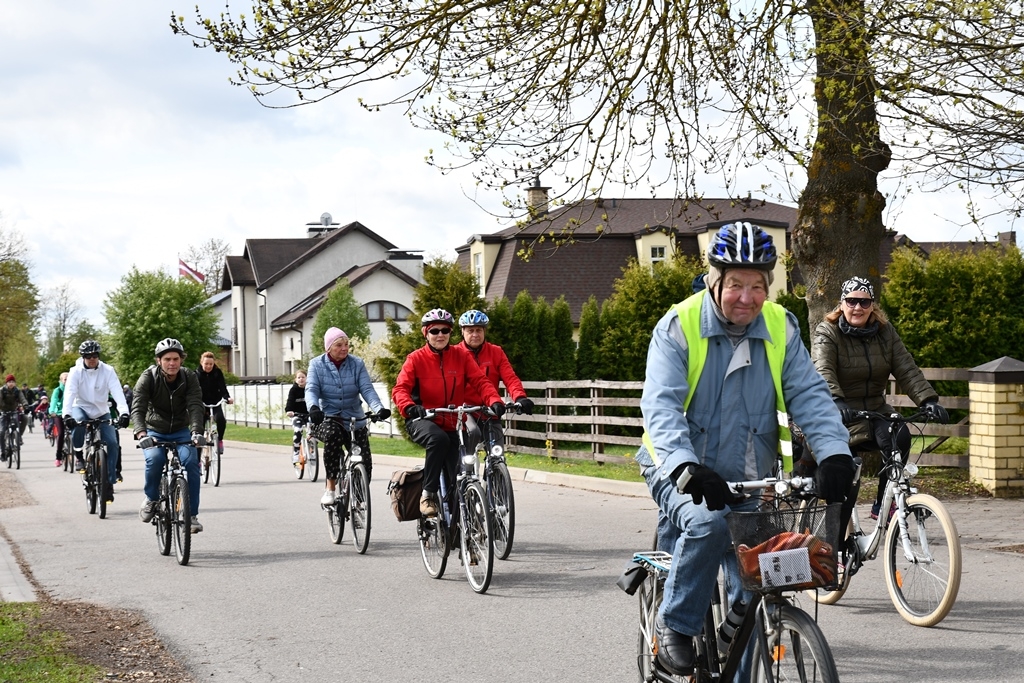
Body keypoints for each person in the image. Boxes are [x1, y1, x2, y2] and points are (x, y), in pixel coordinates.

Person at [635, 222, 855, 677]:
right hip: (677, 466)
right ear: (715, 280)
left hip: (748, 473)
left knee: (757, 579)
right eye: (736, 284)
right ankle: (675, 623)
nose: (747, 297)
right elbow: (661, 407)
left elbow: (810, 395)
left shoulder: (780, 325)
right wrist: (684, 467)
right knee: (708, 523)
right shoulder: (678, 326)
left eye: (758, 285)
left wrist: (835, 453)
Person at [811, 276, 949, 519]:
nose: (858, 308)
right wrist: (836, 400)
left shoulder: (885, 333)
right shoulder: (828, 331)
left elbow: (906, 368)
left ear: (872, 305)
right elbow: (823, 369)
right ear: (842, 303)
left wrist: (928, 401)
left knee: (900, 435)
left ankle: (884, 503)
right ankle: (838, 543)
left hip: (875, 410)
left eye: (864, 303)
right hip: (841, 413)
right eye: (852, 301)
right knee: (847, 474)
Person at [391, 309, 505, 518]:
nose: (440, 334)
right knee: (438, 439)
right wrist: (409, 407)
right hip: (422, 419)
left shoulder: (460, 356)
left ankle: (462, 532)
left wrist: (495, 401)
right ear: (426, 333)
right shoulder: (415, 359)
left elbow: (481, 382)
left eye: (445, 330)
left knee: (456, 480)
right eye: (434, 330)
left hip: (453, 421)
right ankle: (427, 494)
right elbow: (400, 390)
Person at [306, 328, 390, 504]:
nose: (344, 348)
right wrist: (313, 408)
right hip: (328, 417)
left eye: (346, 344)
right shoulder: (316, 364)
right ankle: (330, 488)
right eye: (339, 345)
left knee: (365, 462)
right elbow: (311, 389)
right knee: (333, 436)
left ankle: (359, 503)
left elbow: (367, 389)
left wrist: (379, 408)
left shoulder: (356, 363)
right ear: (329, 347)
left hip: (354, 418)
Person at [133, 338, 206, 533]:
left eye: (176, 359)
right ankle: (151, 498)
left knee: (191, 463)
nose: (172, 363)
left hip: (181, 430)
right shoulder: (148, 377)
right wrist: (141, 433)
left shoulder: (189, 377)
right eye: (167, 359)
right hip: (154, 430)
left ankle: (191, 515)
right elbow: (138, 407)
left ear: (181, 360)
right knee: (155, 459)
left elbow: (196, 405)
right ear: (159, 360)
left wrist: (197, 431)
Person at [455, 309, 534, 451]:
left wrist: (520, 397)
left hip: (491, 408)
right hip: (465, 410)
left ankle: (496, 471)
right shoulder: (455, 354)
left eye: (479, 330)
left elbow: (510, 378)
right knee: (469, 442)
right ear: (462, 331)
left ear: (484, 331)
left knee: (497, 452)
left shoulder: (496, 352)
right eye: (470, 330)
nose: (475, 334)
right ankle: (464, 470)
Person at [62, 341, 130, 502]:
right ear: (83, 357)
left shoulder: (108, 371)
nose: (92, 359)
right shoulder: (75, 372)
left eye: (95, 355)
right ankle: (79, 455)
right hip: (81, 407)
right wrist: (66, 415)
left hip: (101, 411)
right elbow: (70, 393)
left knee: (112, 442)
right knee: (78, 422)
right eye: (88, 356)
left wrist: (124, 413)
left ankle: (110, 481)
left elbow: (118, 392)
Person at [196, 352, 233, 454]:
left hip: (215, 403)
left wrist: (227, 398)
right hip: (201, 404)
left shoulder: (217, 373)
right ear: (201, 363)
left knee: (221, 420)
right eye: (206, 364)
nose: (208, 366)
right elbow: (193, 390)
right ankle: (197, 460)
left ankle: (219, 440)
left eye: (211, 364)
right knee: (199, 430)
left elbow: (222, 387)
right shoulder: (196, 374)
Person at [0, 374, 28, 462]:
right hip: (4, 411)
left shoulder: (17, 391)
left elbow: (22, 398)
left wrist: (26, 406)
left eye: (12, 382)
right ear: (6, 383)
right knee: (2, 431)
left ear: (15, 383)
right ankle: (3, 452)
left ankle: (18, 436)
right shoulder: (2, 390)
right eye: (9, 382)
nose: (11, 383)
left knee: (25, 418)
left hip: (14, 410)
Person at [285, 369, 309, 466]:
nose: (301, 379)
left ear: (307, 378)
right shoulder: (293, 390)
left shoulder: (310, 389)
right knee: (298, 430)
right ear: (295, 379)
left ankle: (311, 447)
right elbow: (290, 401)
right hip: (297, 415)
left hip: (309, 415)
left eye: (303, 377)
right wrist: (289, 411)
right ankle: (296, 453)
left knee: (315, 429)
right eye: (299, 377)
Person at [49, 372, 69, 466]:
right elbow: (54, 401)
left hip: (71, 414)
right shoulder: (58, 390)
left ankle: (78, 456)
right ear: (61, 380)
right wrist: (52, 411)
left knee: (77, 432)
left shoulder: (73, 389)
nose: (67, 381)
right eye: (65, 379)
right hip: (59, 414)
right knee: (61, 433)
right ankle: (58, 457)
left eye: (69, 379)